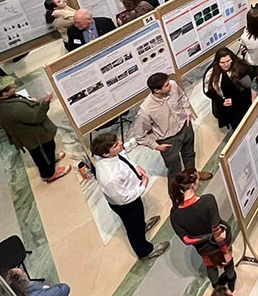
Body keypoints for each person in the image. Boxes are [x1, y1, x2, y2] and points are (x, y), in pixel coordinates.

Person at [90, 133, 170, 261]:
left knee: (138, 219)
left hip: (132, 192)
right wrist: (143, 186)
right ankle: (144, 251)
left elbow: (123, 157)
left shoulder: (113, 154)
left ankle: (141, 226)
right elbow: (123, 199)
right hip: (126, 204)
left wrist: (135, 167)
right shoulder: (110, 177)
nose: (121, 143)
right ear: (105, 154)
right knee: (133, 228)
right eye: (116, 144)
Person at [0, 76, 70, 182]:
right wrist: (45, 102)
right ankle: (49, 174)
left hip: (23, 136)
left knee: (41, 153)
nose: (15, 87)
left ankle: (50, 160)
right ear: (4, 93)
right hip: (36, 136)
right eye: (12, 87)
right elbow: (36, 117)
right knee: (44, 151)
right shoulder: (15, 108)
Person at [130, 72, 211, 182]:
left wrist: (187, 111)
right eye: (166, 85)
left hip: (185, 127)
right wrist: (156, 146)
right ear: (157, 90)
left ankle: (192, 176)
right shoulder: (146, 110)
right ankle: (176, 192)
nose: (170, 85)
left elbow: (182, 96)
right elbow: (139, 136)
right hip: (168, 140)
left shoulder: (173, 85)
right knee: (174, 168)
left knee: (189, 154)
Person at [169, 170, 236, 294]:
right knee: (228, 263)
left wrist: (204, 238)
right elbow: (216, 232)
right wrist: (225, 251)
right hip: (220, 243)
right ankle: (231, 284)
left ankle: (217, 288)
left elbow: (186, 240)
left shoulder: (174, 215)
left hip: (203, 249)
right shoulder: (207, 201)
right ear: (193, 185)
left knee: (210, 266)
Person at [203, 48, 254, 128]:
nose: (226, 65)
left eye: (228, 61)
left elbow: (250, 89)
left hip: (241, 105)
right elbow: (207, 90)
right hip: (226, 108)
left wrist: (234, 100)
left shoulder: (241, 69)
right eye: (222, 63)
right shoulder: (211, 73)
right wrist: (221, 100)